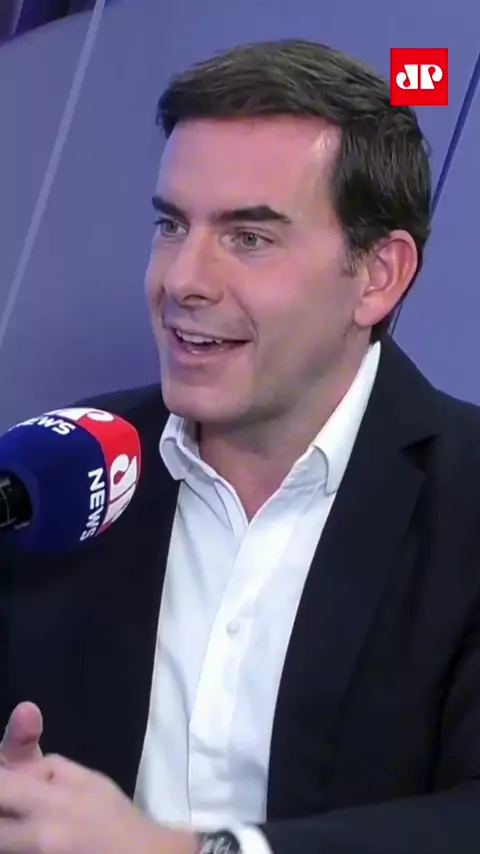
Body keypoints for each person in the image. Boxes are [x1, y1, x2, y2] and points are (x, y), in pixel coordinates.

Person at [0, 36, 480, 854]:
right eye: (171, 225)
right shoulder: (57, 474)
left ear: (378, 276)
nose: (182, 279)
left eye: (249, 237)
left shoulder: (466, 501)